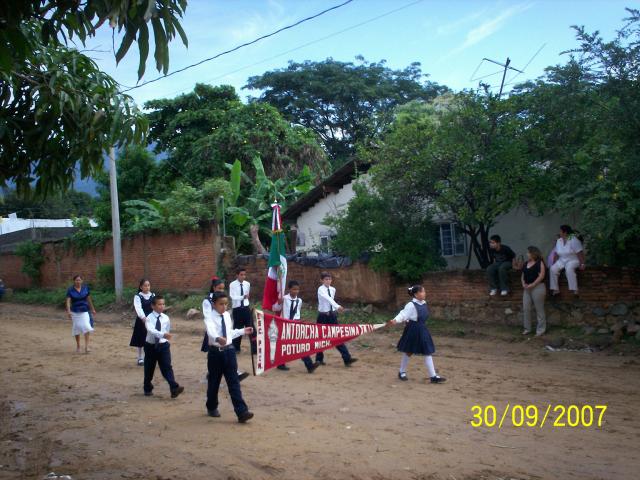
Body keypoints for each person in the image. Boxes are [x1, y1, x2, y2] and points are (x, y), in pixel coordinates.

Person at [204, 291, 254, 423]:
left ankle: (241, 411)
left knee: (234, 382)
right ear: (214, 304)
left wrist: (243, 331)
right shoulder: (209, 317)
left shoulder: (227, 315)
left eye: (226, 304)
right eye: (221, 304)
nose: (224, 307)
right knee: (214, 382)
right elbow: (211, 331)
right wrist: (217, 338)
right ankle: (211, 406)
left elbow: (229, 333)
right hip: (216, 353)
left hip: (229, 352)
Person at [387, 285, 446, 384]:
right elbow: (403, 314)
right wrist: (395, 320)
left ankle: (433, 376)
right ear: (416, 294)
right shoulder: (410, 305)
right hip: (413, 330)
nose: (424, 293)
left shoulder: (423, 303)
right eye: (422, 292)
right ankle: (402, 372)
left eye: (424, 291)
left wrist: (408, 319)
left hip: (422, 329)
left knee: (427, 351)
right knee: (409, 351)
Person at [202, 277, 249, 382]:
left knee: (226, 350)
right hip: (214, 329)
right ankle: (212, 373)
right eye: (219, 288)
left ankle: (229, 373)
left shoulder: (223, 304)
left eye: (223, 289)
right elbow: (208, 317)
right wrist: (215, 334)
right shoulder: (208, 301)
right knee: (213, 351)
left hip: (223, 327)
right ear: (214, 288)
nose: (221, 291)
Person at [143, 295, 184, 399]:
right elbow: (151, 330)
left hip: (163, 346)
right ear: (153, 306)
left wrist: (164, 337)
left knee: (167, 367)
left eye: (163, 304)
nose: (162, 306)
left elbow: (167, 330)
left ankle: (174, 388)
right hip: (151, 346)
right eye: (159, 304)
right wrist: (162, 334)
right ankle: (147, 387)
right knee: (149, 368)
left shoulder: (166, 318)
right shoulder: (149, 318)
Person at [315, 272, 357, 367]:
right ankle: (319, 359)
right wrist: (338, 306)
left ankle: (347, 358)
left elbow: (331, 300)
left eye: (329, 279)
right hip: (322, 316)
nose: (328, 281)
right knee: (320, 338)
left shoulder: (333, 289)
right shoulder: (321, 289)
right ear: (321, 280)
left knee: (337, 337)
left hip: (332, 315)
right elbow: (328, 299)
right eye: (326, 279)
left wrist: (335, 309)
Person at [279, 280, 320, 373]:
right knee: (284, 345)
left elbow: (297, 312)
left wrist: (299, 321)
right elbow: (276, 308)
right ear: (289, 289)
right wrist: (279, 301)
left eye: (297, 290)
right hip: (285, 324)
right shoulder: (284, 298)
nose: (296, 291)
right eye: (294, 289)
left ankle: (309, 365)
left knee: (300, 345)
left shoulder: (299, 300)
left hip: (296, 324)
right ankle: (280, 363)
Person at [549, 225, 586, 296]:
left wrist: (582, 264)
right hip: (562, 260)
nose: (559, 232)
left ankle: (574, 290)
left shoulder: (574, 240)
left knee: (569, 268)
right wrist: (554, 263)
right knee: (553, 269)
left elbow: (579, 253)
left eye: (560, 231)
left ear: (565, 232)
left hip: (573, 260)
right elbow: (556, 253)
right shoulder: (559, 241)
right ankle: (555, 290)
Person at [65, 274, 96, 354]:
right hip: (75, 311)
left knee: (86, 326)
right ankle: (78, 346)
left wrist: (92, 309)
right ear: (74, 281)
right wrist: (68, 311)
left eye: (79, 280)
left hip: (85, 310)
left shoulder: (85, 288)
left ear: (82, 281)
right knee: (77, 328)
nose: (78, 281)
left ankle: (87, 346)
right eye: (76, 280)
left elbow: (89, 299)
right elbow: (68, 301)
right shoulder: (70, 290)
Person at [521, 246, 547, 336]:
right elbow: (523, 275)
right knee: (526, 308)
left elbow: (541, 276)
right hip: (527, 288)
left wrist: (533, 284)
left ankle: (540, 330)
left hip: (538, 288)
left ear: (533, 253)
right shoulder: (526, 263)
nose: (527, 254)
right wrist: (523, 283)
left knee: (539, 309)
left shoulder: (540, 263)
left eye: (528, 252)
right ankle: (527, 328)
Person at [130, 278, 155, 366]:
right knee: (141, 339)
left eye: (148, 285)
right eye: (145, 285)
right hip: (142, 321)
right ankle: (140, 357)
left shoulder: (153, 295)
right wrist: (143, 318)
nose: (147, 287)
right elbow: (138, 308)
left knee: (151, 339)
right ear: (141, 287)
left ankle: (149, 356)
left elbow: (155, 307)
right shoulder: (138, 296)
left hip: (152, 320)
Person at [229, 268, 252, 353]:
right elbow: (233, 297)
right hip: (237, 309)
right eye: (241, 275)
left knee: (250, 327)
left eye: (244, 275)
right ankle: (236, 348)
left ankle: (255, 348)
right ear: (237, 275)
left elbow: (247, 295)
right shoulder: (232, 284)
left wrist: (245, 298)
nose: (243, 276)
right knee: (237, 328)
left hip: (246, 308)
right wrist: (242, 297)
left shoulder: (247, 284)